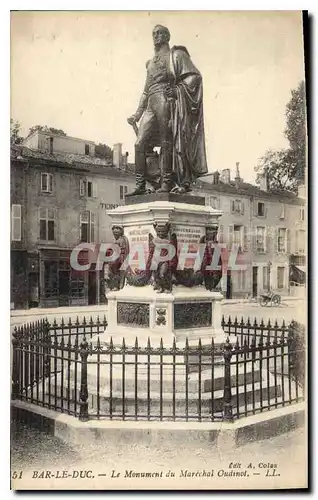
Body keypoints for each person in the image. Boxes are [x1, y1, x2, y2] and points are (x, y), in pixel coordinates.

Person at [127, 25, 208, 195]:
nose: (156, 36)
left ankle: (166, 182)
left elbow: (195, 77)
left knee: (166, 142)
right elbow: (145, 91)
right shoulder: (150, 64)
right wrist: (137, 113)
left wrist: (178, 89)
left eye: (160, 33)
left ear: (167, 36)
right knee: (139, 143)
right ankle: (140, 185)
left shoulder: (176, 55)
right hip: (151, 102)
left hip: (166, 100)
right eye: (154, 34)